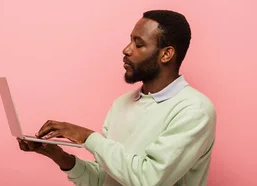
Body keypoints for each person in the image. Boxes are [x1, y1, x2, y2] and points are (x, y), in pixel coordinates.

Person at [16, 10, 216, 186]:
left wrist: (87, 137)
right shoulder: (122, 104)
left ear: (166, 54)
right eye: (130, 41)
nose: (126, 50)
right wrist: (60, 157)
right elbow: (104, 179)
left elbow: (149, 179)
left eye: (138, 44)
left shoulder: (195, 110)